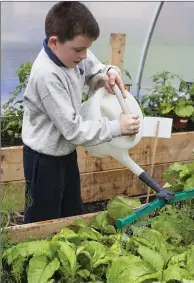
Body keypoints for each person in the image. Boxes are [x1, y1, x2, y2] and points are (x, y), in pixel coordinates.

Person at [22, 1, 140, 224]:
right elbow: (73, 129)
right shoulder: (47, 76)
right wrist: (117, 127)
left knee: (71, 212)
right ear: (54, 42)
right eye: (79, 49)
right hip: (43, 158)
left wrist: (108, 74)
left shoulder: (74, 54)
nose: (84, 55)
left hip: (65, 152)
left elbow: (95, 70)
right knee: (43, 219)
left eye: (87, 48)